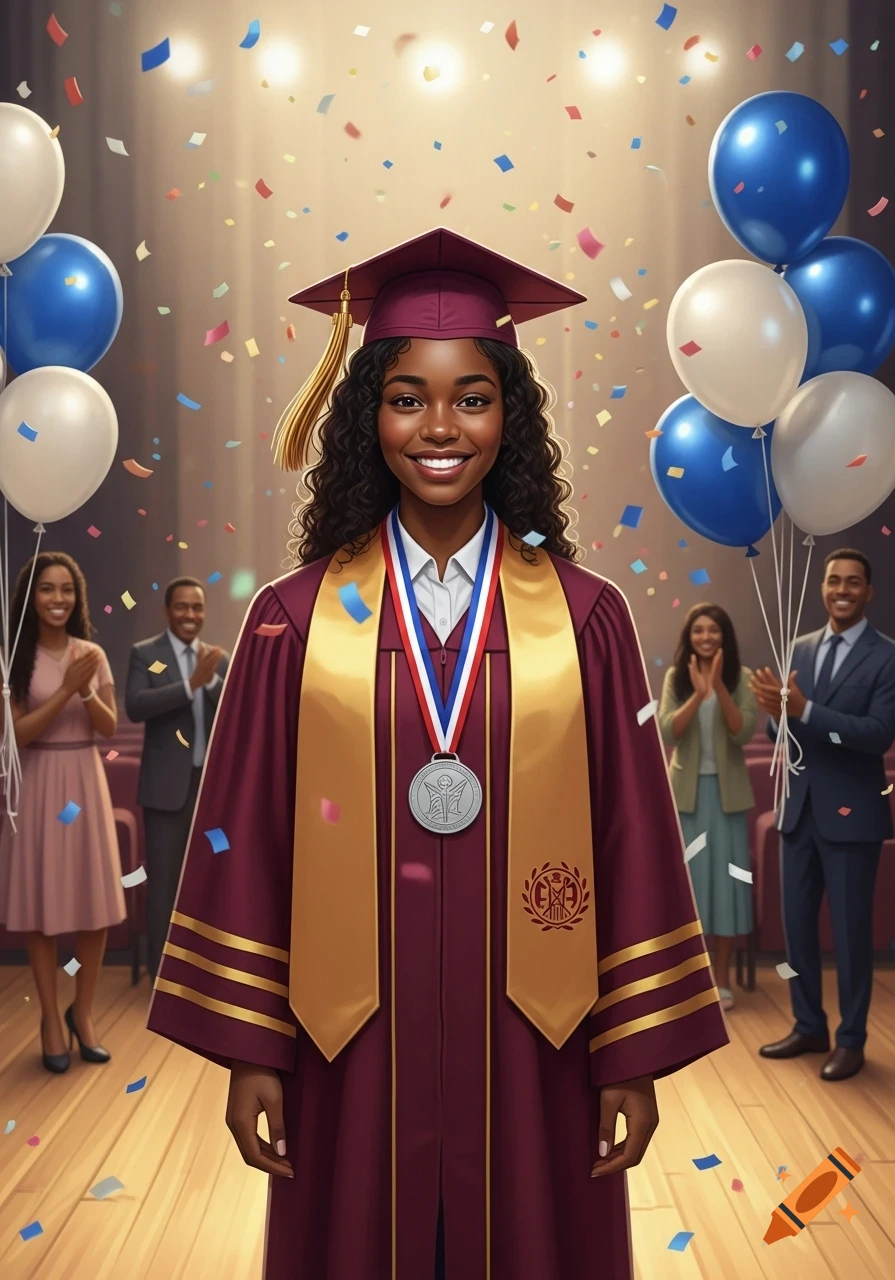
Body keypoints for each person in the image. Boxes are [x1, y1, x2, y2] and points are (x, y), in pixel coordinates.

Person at [147, 227, 728, 1280]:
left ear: (512, 415)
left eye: (472, 395)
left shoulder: (585, 621)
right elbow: (250, 837)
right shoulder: (293, 623)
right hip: (348, 1045)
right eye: (406, 395)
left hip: (537, 1047)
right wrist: (251, 1047)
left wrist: (628, 1057)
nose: (440, 425)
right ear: (366, 415)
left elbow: (631, 839)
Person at [751, 549, 895, 1081]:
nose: (842, 588)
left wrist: (804, 710)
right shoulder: (800, 647)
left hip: (854, 818)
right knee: (797, 934)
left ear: (868, 591)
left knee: (852, 937)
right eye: (834, 580)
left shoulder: (888, 658)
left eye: (853, 581)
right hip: (798, 812)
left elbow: (877, 735)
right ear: (823, 587)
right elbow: (782, 730)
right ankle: (808, 1024)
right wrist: (775, 714)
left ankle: (851, 1039)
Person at [0, 551, 124, 1072]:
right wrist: (68, 690)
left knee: (94, 906)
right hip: (41, 782)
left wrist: (88, 690)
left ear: (78, 597)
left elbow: (110, 728)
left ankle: (84, 1012)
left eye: (66, 590)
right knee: (42, 907)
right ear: (31, 599)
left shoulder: (92, 652)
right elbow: (16, 736)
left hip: (84, 782)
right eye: (47, 590)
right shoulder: (13, 660)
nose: (57, 599)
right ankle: (51, 1017)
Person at [124, 577, 228, 982]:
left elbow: (238, 706)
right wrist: (190, 685)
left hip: (212, 790)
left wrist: (211, 680)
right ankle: (162, 975)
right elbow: (136, 706)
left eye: (197, 608)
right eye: (182, 607)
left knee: (211, 880)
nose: (190, 615)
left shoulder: (217, 658)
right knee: (164, 883)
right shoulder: (145, 653)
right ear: (168, 611)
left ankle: (206, 969)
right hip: (165, 792)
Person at [658, 604, 757, 1011]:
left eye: (713, 630)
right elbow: (667, 730)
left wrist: (717, 688)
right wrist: (698, 696)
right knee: (690, 891)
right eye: (698, 630)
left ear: (724, 635)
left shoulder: (742, 677)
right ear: (689, 637)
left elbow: (743, 733)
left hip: (729, 799)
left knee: (728, 890)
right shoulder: (675, 677)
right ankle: (687, 981)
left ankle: (722, 980)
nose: (705, 637)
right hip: (686, 798)